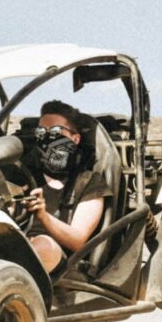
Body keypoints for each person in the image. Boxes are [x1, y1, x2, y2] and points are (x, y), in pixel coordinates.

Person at [23, 100, 110, 274]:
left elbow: (77, 240)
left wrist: (43, 216)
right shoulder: (24, 173)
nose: (47, 137)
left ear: (75, 138)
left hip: (59, 259)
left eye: (55, 131)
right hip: (18, 245)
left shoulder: (88, 181)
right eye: (42, 132)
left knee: (42, 246)